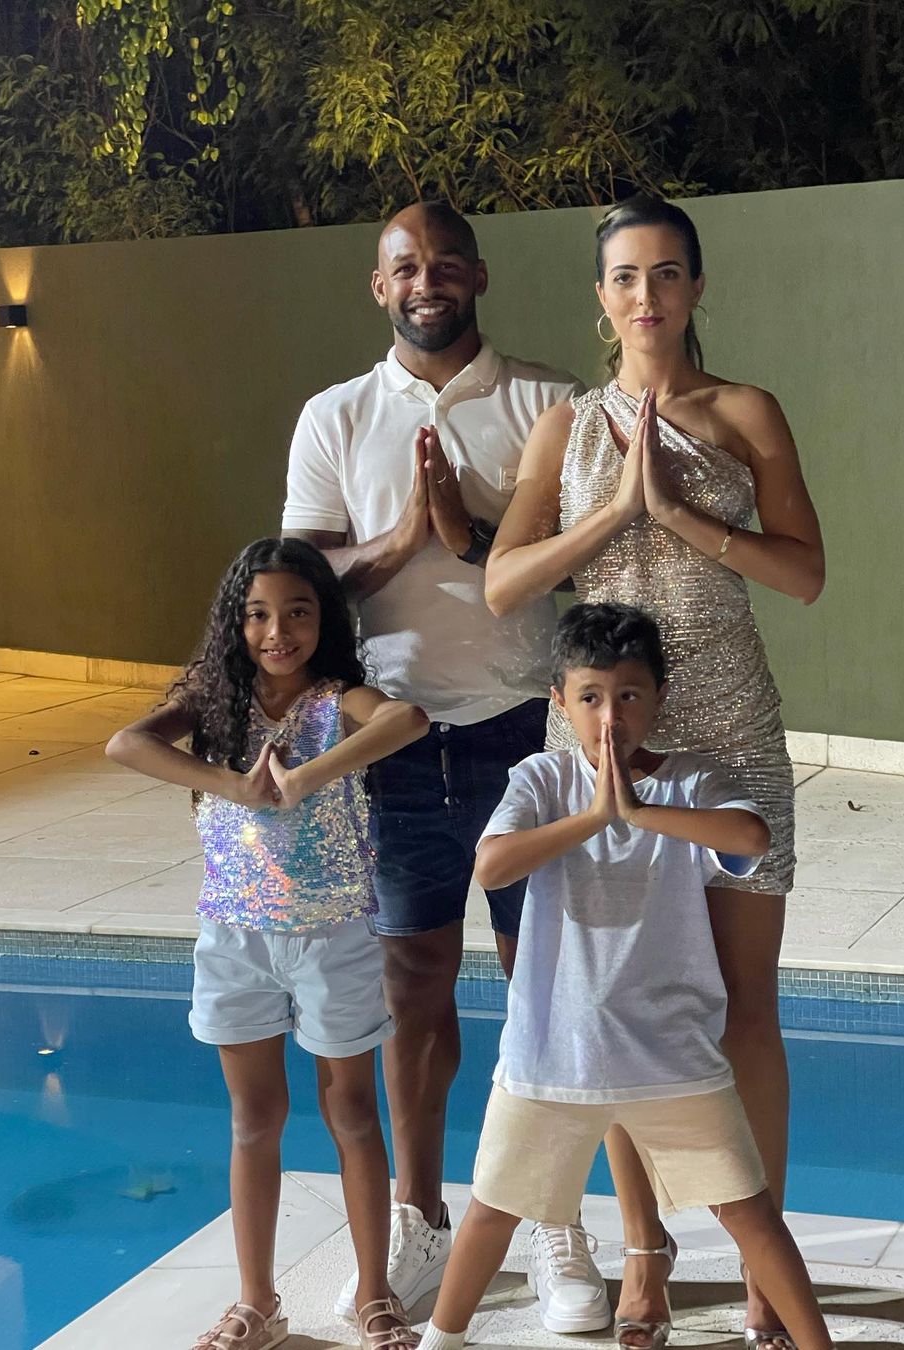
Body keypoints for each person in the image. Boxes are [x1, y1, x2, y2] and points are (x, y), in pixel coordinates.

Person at [485, 193, 825, 1348]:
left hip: (729, 725)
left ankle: (767, 1269)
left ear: (696, 287)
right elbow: (506, 581)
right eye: (626, 276)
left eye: (667, 273)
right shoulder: (566, 427)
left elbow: (806, 574)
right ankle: (644, 1255)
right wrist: (617, 513)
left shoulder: (745, 412)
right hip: (603, 738)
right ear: (602, 296)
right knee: (616, 1005)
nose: (647, 295)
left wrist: (677, 513)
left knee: (745, 1010)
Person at [280, 203, 608, 1328]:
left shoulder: (551, 400)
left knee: (543, 983)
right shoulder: (335, 415)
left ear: (479, 275)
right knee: (413, 984)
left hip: (528, 733)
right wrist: (401, 542)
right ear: (380, 286)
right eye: (406, 266)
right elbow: (303, 585)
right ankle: (419, 1219)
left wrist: (473, 528)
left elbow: (589, 563)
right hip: (397, 744)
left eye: (446, 263)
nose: (428, 281)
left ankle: (554, 1221)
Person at [416, 603, 832, 1350]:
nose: (611, 716)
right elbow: (492, 866)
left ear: (659, 698)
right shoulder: (541, 779)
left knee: (750, 1214)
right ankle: (439, 1342)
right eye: (591, 696)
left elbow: (751, 837)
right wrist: (594, 816)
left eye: (630, 695)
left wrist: (636, 811)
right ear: (560, 701)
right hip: (550, 1061)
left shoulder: (693, 782)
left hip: (674, 1058)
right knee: (491, 1212)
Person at [105, 537, 430, 1350]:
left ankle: (375, 1293)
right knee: (255, 1119)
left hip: (333, 936)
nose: (276, 632)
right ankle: (258, 1301)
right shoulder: (214, 700)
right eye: (256, 615)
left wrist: (309, 776)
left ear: (325, 619)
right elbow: (126, 743)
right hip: (235, 937)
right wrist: (232, 785)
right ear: (235, 622)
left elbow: (409, 719)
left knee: (352, 1112)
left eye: (296, 612)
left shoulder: (337, 698)